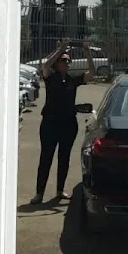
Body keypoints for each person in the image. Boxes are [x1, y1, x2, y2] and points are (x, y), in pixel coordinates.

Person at [32, 38, 95, 205]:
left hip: (68, 124)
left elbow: (91, 74)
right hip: (50, 124)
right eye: (63, 61)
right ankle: (39, 193)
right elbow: (45, 66)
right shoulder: (50, 77)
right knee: (46, 157)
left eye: (68, 61)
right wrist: (61, 49)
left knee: (64, 158)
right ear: (57, 63)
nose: (67, 63)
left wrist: (87, 52)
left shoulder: (72, 79)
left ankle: (60, 191)